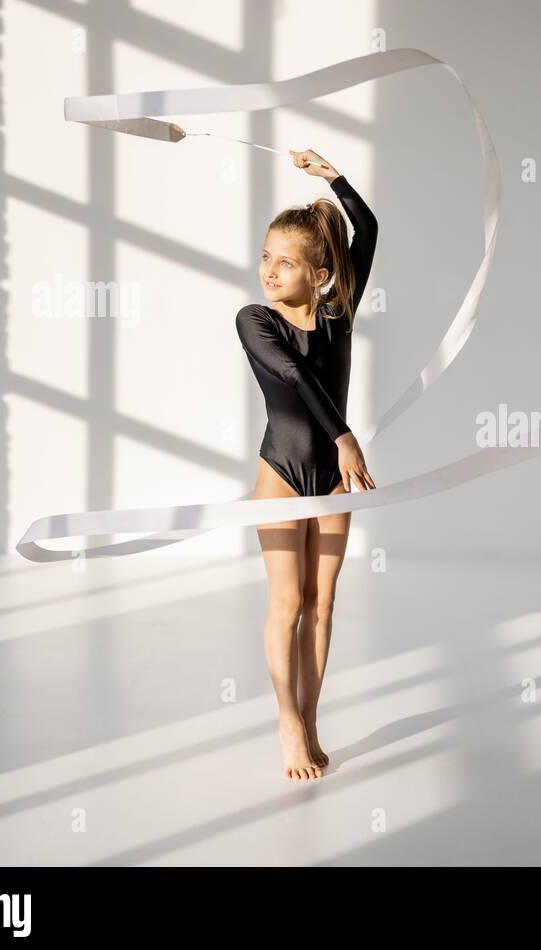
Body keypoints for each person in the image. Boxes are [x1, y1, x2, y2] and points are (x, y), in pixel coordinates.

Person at [235, 147, 378, 780]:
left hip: (333, 484)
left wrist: (334, 179)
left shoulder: (338, 314)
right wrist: (345, 436)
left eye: (286, 261)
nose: (269, 270)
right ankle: (288, 728)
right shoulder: (254, 320)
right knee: (287, 602)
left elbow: (366, 230)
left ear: (319, 271)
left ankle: (314, 722)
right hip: (284, 474)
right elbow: (293, 374)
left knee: (321, 606)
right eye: (266, 256)